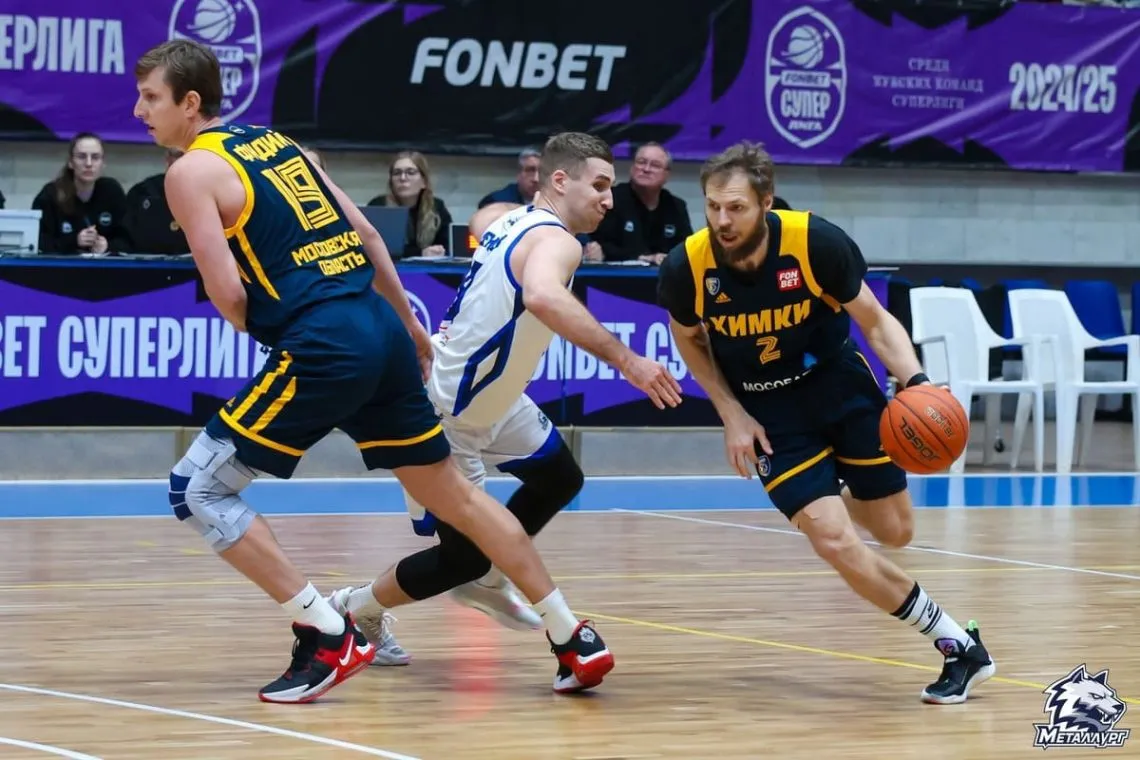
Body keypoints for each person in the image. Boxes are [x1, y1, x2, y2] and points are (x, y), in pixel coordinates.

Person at [134, 39, 616, 703]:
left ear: (190, 103)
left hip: (325, 341)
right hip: (381, 329)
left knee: (197, 489)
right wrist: (411, 328)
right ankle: (570, 636)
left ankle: (327, 630)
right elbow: (364, 233)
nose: (139, 111)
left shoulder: (189, 172)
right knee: (460, 501)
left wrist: (283, 334)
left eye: (150, 98)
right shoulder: (276, 143)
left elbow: (228, 295)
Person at [328, 132, 684, 694]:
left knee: (560, 477)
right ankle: (353, 610)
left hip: (491, 399)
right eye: (599, 185)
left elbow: (488, 257)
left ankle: (490, 575)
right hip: (448, 417)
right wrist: (628, 360)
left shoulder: (512, 219)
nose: (609, 199)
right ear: (559, 181)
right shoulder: (558, 242)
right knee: (461, 561)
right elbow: (542, 295)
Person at [655, 141, 995, 705]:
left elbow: (876, 321)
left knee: (896, 532)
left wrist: (917, 382)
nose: (722, 220)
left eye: (735, 207)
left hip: (838, 388)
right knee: (833, 539)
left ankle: (829, 489)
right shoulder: (687, 266)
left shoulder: (815, 243)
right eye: (713, 206)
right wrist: (730, 413)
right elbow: (688, 339)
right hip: (768, 414)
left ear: (766, 202)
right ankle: (957, 644)